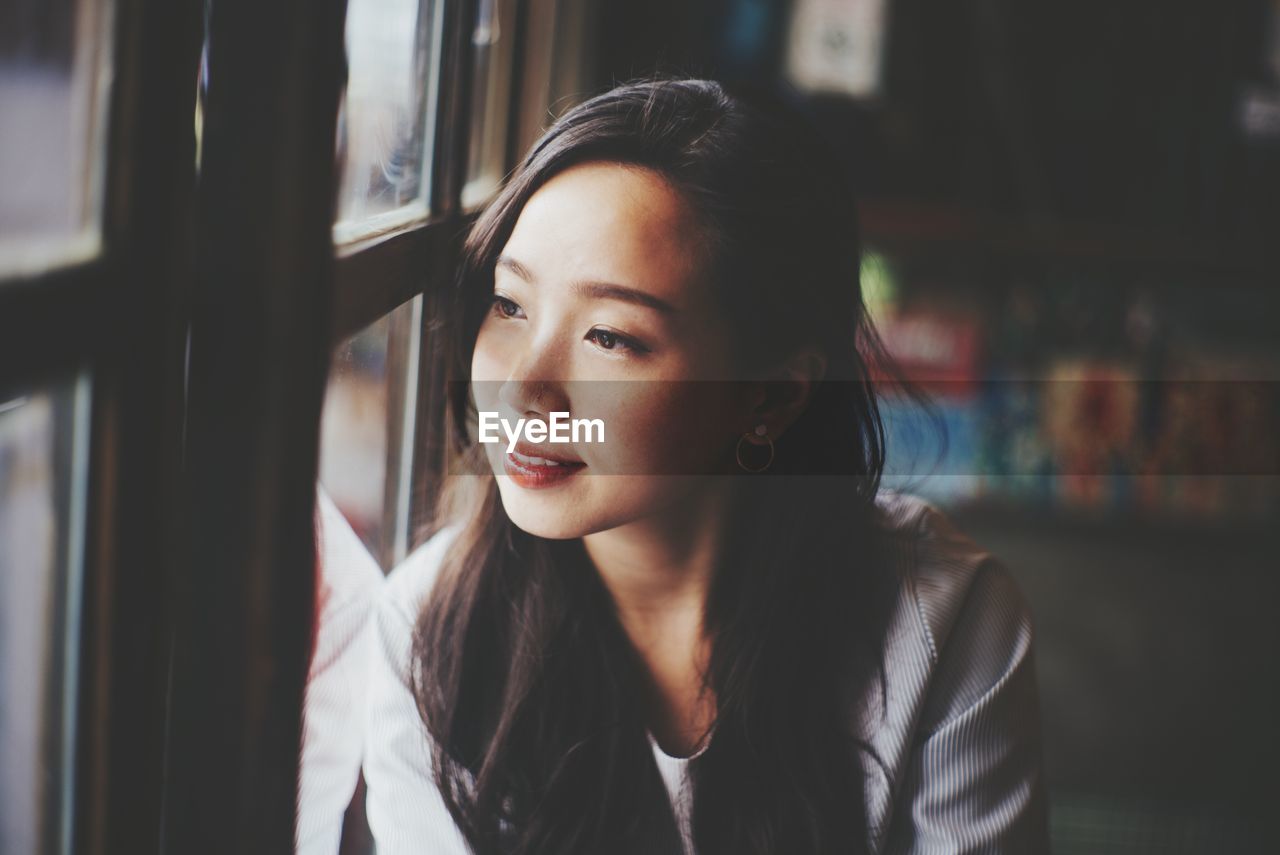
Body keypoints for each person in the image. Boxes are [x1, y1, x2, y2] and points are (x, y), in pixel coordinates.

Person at [362, 77, 1048, 854]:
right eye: (510, 304)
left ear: (771, 396)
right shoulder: (429, 630)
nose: (521, 389)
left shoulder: (941, 624)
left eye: (611, 337)